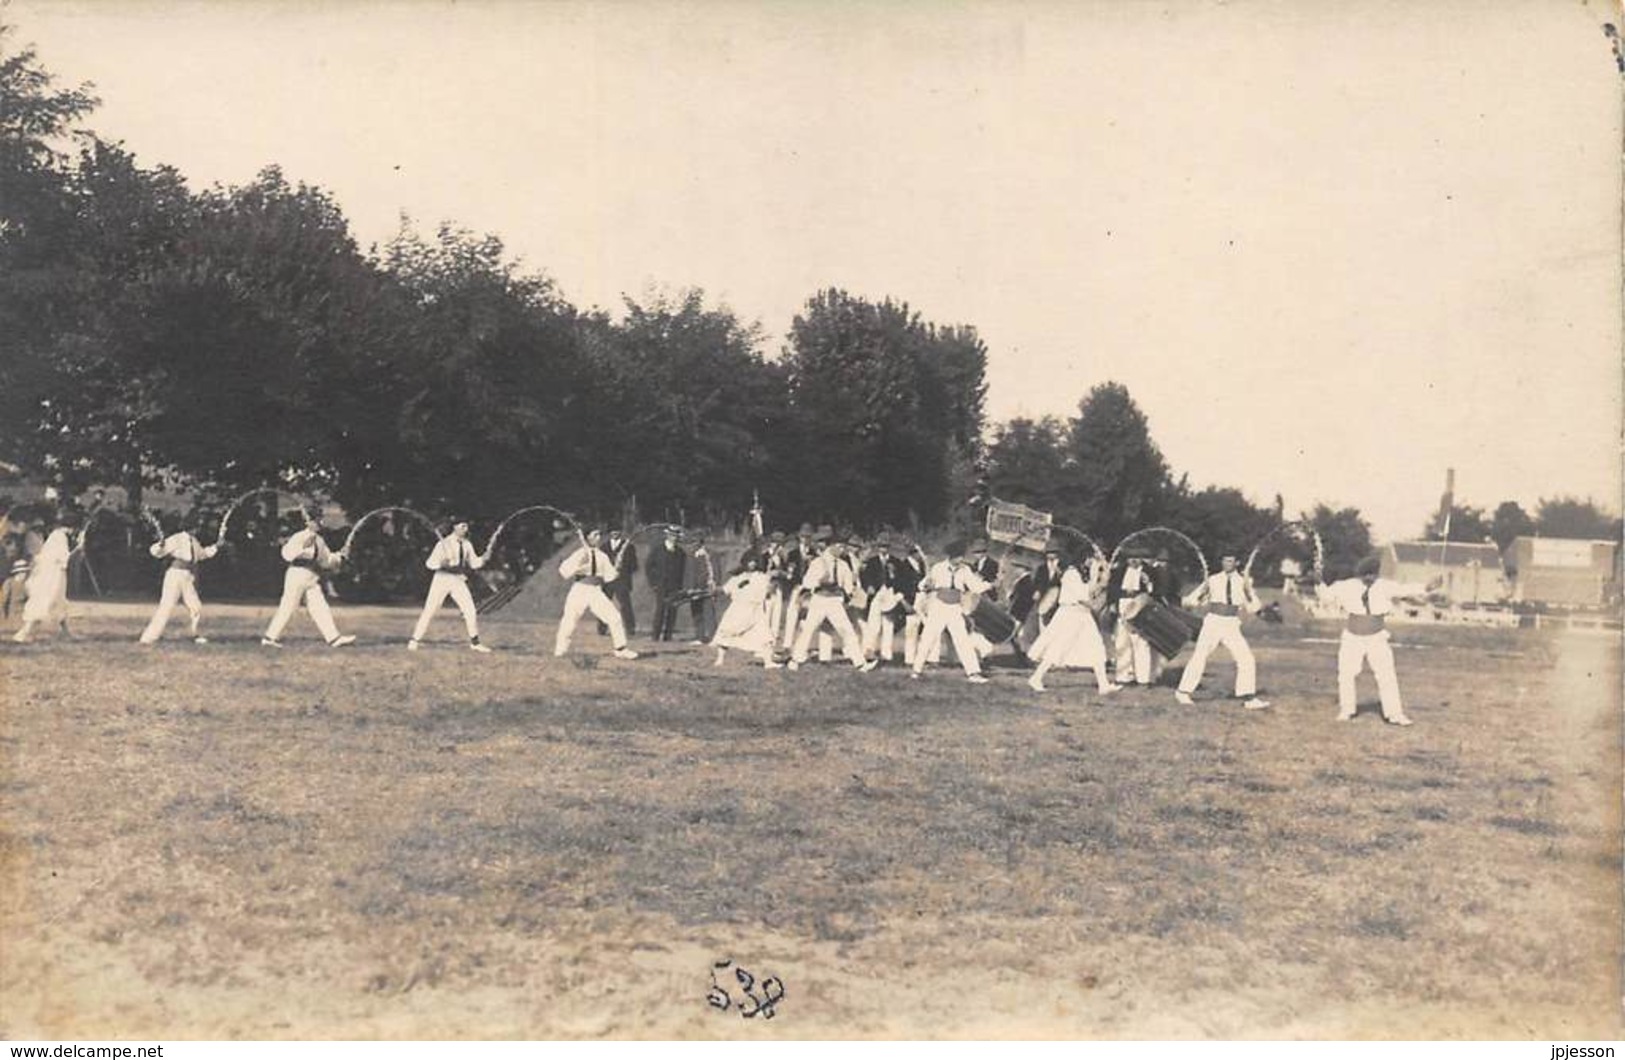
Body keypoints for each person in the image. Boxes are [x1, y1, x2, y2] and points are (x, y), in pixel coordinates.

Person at [1318, 557, 1439, 726]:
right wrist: (1321, 582)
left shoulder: (1384, 586)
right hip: (1353, 638)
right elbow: (1326, 596)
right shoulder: (1347, 586)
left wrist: (1427, 587)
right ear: (1359, 574)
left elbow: (1406, 590)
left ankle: (1395, 714)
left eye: (1373, 575)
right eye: (1366, 575)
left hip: (1377, 637)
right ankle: (1347, 710)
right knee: (1346, 674)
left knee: (1386, 675)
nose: (1370, 578)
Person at [1175, 553, 1268, 709]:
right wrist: (1190, 601)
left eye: (1230, 561)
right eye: (1224, 560)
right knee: (1200, 655)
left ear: (1237, 562)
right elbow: (1194, 599)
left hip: (1231, 623)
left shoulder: (1243, 582)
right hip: (1213, 622)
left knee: (1246, 658)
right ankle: (1183, 692)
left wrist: (1253, 601)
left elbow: (1252, 606)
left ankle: (1249, 698)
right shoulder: (1212, 580)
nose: (1227, 563)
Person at [1027, 550, 1119, 696]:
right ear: (1082, 558)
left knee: (1096, 647)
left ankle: (1103, 685)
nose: (1091, 562)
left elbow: (1090, 592)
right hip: (1071, 615)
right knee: (1058, 648)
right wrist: (1100, 588)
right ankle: (1036, 678)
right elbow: (1083, 597)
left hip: (1082, 614)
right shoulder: (1071, 574)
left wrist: (1102, 582)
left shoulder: (1079, 574)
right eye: (1090, 559)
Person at [262, 508, 356, 648]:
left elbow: (326, 561)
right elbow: (287, 554)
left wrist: (340, 556)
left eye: (320, 520)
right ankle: (270, 638)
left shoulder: (319, 540)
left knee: (320, 607)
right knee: (289, 606)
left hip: (311, 576)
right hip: (297, 574)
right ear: (308, 522)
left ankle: (334, 638)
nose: (320, 523)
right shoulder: (299, 536)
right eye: (317, 520)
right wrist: (303, 549)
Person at [787, 532, 874, 672]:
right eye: (839, 546)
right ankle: (795, 660)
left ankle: (860, 664)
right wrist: (819, 581)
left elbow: (848, 586)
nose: (842, 550)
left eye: (843, 547)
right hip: (819, 600)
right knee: (808, 630)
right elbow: (807, 583)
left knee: (847, 631)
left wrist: (854, 594)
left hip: (835, 602)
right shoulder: (818, 562)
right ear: (831, 546)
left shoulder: (843, 565)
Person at [910, 540, 992, 684]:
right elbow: (922, 585)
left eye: (961, 556)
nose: (960, 559)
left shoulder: (965, 570)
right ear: (950, 556)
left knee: (963, 640)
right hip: (938, 607)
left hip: (955, 608)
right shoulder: (938, 568)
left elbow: (975, 587)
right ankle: (917, 670)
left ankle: (973, 672)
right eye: (957, 556)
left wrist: (990, 585)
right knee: (928, 638)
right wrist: (925, 585)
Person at [407, 517, 492, 653]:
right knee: (430, 610)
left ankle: (475, 643)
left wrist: (483, 559)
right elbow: (429, 563)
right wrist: (442, 564)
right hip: (442, 579)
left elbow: (474, 563)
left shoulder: (467, 544)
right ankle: (414, 640)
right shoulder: (443, 544)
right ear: (455, 527)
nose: (466, 529)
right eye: (463, 526)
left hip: (458, 580)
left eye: (466, 526)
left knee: (470, 610)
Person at [555, 528, 640, 659]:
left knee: (614, 617)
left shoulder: (602, 556)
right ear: (587, 537)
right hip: (580, 589)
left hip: (595, 591)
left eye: (599, 534)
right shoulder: (579, 554)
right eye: (595, 534)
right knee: (570, 619)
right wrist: (579, 562)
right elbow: (564, 571)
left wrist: (616, 569)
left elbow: (610, 576)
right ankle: (561, 649)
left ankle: (621, 649)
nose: (598, 537)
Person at [138, 512, 220, 645]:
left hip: (188, 576)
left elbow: (202, 554)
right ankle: (148, 638)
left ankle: (194, 634)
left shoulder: (193, 540)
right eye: (197, 524)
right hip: (175, 575)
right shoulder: (177, 539)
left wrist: (215, 547)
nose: (199, 527)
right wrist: (160, 545)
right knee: (166, 606)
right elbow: (155, 552)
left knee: (196, 606)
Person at [11, 510, 78, 643]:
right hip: (51, 576)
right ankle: (24, 633)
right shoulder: (59, 536)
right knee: (45, 603)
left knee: (58, 602)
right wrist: (78, 549)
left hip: (51, 574)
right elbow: (64, 559)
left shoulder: (54, 536)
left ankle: (66, 633)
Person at [711, 552, 781, 668]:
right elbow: (725, 590)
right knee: (726, 633)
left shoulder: (762, 577)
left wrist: (771, 580)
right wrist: (714, 590)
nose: (752, 564)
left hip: (755, 610)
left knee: (765, 635)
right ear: (745, 562)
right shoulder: (738, 578)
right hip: (737, 610)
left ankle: (768, 662)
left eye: (754, 561)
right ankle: (720, 659)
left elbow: (768, 592)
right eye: (749, 561)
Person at [1112, 552, 1160, 686]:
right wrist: (1113, 604)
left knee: (1140, 642)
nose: (1133, 561)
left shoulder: (1149, 571)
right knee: (1122, 641)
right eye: (1130, 557)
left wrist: (1148, 582)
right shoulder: (1119, 571)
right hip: (1123, 602)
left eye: (1136, 557)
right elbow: (1113, 588)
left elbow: (1155, 591)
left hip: (1139, 603)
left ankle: (1143, 679)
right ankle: (1123, 676)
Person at [646, 526, 686, 641]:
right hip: (661, 585)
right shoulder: (657, 549)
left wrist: (680, 586)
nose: (674, 538)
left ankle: (668, 636)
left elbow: (682, 570)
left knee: (672, 610)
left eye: (676, 536)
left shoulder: (680, 552)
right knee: (660, 610)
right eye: (672, 535)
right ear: (667, 535)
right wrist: (653, 582)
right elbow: (648, 567)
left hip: (675, 585)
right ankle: (655, 636)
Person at [2, 516, 42, 619]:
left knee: (11, 592)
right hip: (8, 567)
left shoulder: (25, 537)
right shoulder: (12, 535)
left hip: (14, 568)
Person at [601, 528, 639, 636]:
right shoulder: (604, 547)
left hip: (622, 581)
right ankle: (602, 628)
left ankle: (630, 628)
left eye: (617, 530)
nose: (615, 533)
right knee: (604, 604)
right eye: (612, 530)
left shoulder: (628, 547)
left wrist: (623, 569)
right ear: (609, 532)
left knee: (625, 605)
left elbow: (634, 565)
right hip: (607, 580)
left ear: (621, 532)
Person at [687, 534, 717, 645]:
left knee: (709, 612)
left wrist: (715, 585)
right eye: (692, 542)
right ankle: (700, 637)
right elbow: (688, 573)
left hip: (707, 587)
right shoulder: (690, 555)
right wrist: (689, 587)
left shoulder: (710, 555)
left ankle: (713, 637)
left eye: (696, 542)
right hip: (694, 588)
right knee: (697, 612)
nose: (694, 545)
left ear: (701, 543)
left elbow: (716, 570)